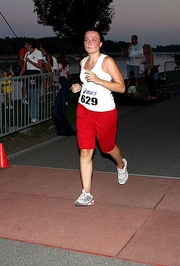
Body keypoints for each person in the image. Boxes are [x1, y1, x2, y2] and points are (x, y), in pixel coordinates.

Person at [70, 29, 129, 207]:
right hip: (84, 110)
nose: (89, 42)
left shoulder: (107, 61)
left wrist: (99, 80)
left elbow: (121, 87)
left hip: (105, 112)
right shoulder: (83, 61)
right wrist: (79, 87)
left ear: (100, 43)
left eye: (93, 40)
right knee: (86, 151)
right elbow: (87, 82)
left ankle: (121, 165)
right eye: (86, 39)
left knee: (107, 148)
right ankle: (86, 194)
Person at [19, 38, 43, 123]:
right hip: (28, 75)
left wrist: (31, 61)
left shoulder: (38, 53)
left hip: (35, 75)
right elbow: (24, 66)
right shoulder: (26, 54)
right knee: (29, 96)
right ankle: (30, 116)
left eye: (26, 45)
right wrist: (20, 75)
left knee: (35, 97)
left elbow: (40, 65)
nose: (25, 46)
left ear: (30, 45)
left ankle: (35, 116)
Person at [51, 54, 75, 136]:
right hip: (64, 83)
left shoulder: (59, 65)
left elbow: (60, 72)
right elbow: (67, 74)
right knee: (58, 111)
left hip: (62, 82)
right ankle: (63, 129)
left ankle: (64, 129)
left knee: (57, 111)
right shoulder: (66, 66)